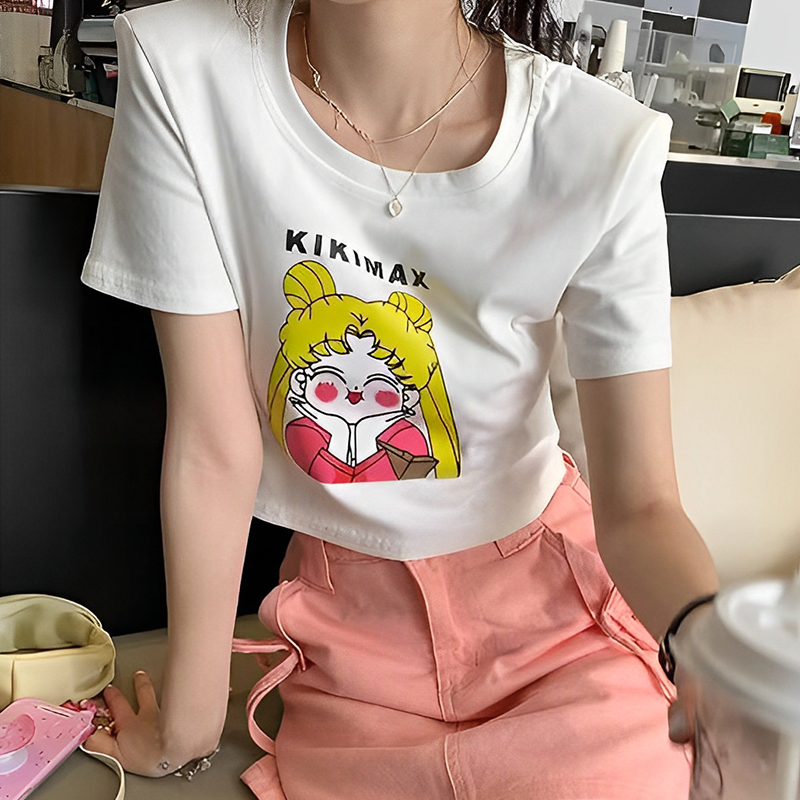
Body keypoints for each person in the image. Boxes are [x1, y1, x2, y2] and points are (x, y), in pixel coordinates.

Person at [81, 0, 720, 797]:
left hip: (555, 626)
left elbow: (643, 505)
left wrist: (714, 651)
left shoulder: (603, 143)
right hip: (348, 637)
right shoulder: (180, 66)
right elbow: (215, 446)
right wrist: (190, 719)